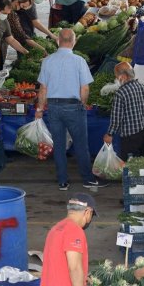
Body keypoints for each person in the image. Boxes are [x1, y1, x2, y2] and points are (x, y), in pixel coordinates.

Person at [36, 29, 108, 190]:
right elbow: (85, 88)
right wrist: (82, 104)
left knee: (59, 145)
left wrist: (40, 109)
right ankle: (87, 179)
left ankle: (62, 181)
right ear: (73, 42)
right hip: (74, 107)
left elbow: (43, 89)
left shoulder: (47, 61)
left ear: (58, 41)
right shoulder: (79, 61)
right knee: (81, 145)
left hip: (53, 107)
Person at [40, 193, 98, 285]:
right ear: (87, 212)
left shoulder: (56, 228)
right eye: (91, 215)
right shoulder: (75, 231)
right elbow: (74, 268)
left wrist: (83, 277)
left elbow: (58, 262)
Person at [104, 62, 144, 159]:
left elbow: (116, 119)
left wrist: (109, 134)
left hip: (131, 137)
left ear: (123, 76)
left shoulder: (121, 93)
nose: (117, 79)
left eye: (117, 76)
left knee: (129, 167)